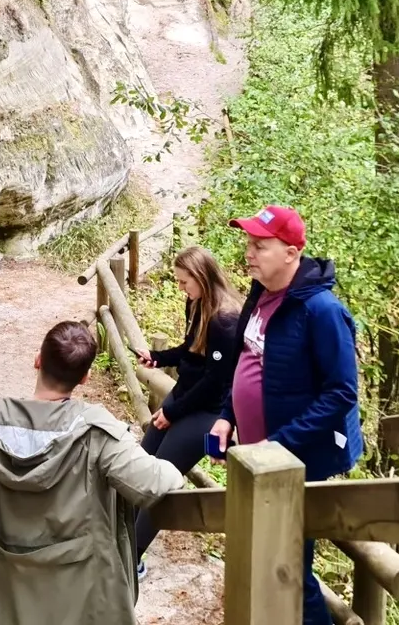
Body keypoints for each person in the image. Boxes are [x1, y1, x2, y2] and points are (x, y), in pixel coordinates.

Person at [0, 320, 183, 625]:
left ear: (37, 359)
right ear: (84, 378)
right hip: (80, 593)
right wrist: (175, 468)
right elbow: (153, 484)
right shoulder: (98, 433)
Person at [210, 204, 364, 625]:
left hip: (294, 462)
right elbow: (247, 360)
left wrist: (277, 444)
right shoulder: (260, 295)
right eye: (248, 243)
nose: (249, 253)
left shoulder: (322, 311)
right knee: (265, 555)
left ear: (292, 252)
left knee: (291, 569)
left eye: (260, 245)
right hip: (259, 457)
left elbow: (342, 393)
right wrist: (227, 416)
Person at [130, 246, 242, 580]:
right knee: (140, 465)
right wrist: (158, 357)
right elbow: (191, 353)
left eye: (184, 282)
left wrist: (173, 412)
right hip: (184, 398)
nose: (180, 288)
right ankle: (118, 537)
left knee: (160, 480)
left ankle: (130, 556)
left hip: (207, 412)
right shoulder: (196, 303)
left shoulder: (226, 319)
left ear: (202, 277)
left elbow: (216, 379)